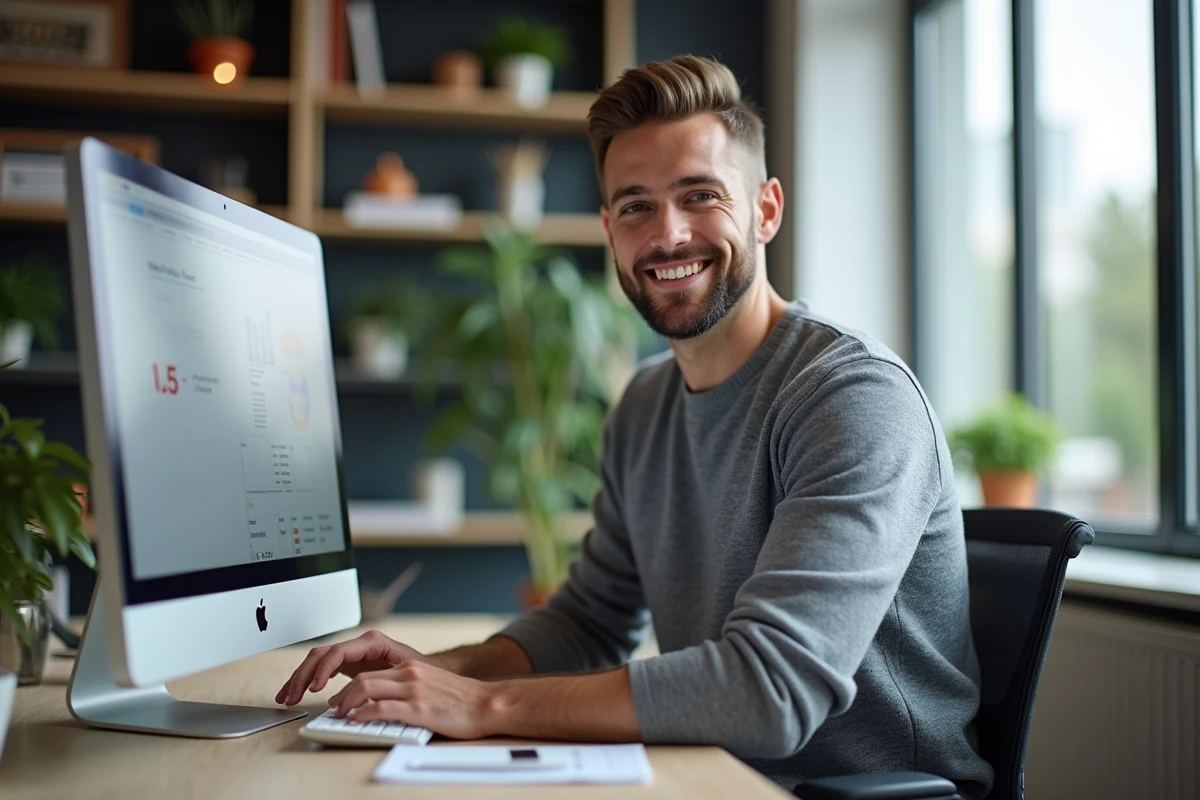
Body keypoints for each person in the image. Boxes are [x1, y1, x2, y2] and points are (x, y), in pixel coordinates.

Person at [276, 55, 993, 798]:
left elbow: (768, 692)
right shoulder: (645, 407)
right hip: (710, 775)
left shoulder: (850, 397)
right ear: (609, 231)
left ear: (767, 209)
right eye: (636, 207)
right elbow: (589, 623)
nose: (669, 234)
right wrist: (436, 673)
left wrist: (483, 705)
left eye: (700, 195)